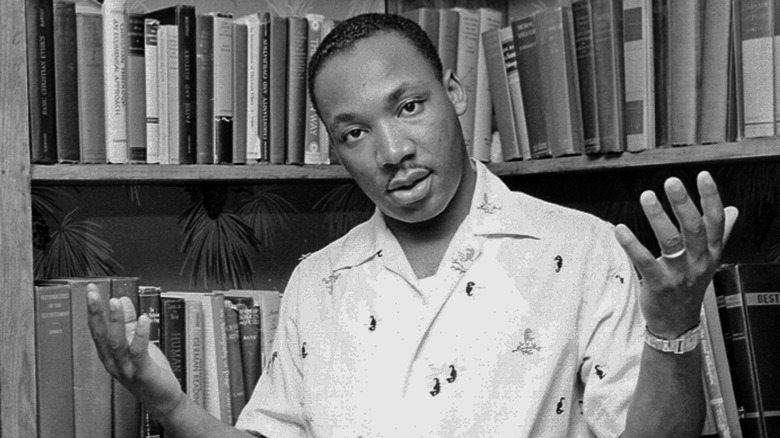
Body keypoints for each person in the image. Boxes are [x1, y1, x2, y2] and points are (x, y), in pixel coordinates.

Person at [87, 13, 739, 438]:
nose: (392, 149)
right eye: (355, 131)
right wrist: (167, 403)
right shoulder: (319, 283)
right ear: (337, 150)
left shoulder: (585, 251)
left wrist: (674, 328)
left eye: (409, 106)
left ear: (454, 94)